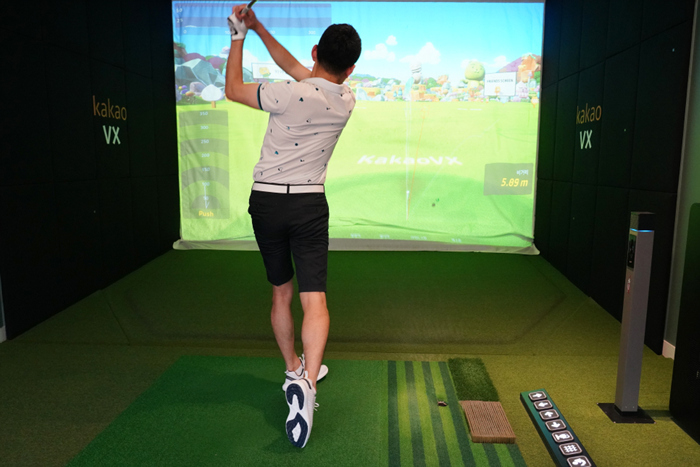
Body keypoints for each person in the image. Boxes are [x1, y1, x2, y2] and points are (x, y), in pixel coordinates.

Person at [224, 4, 361, 449]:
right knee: (314, 299)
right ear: (350, 68)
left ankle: (292, 370)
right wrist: (259, 26)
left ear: (316, 51)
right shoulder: (346, 100)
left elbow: (232, 89)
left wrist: (239, 36)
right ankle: (309, 384)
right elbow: (303, 72)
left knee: (281, 293)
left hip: (266, 202)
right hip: (308, 205)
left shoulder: (286, 93)